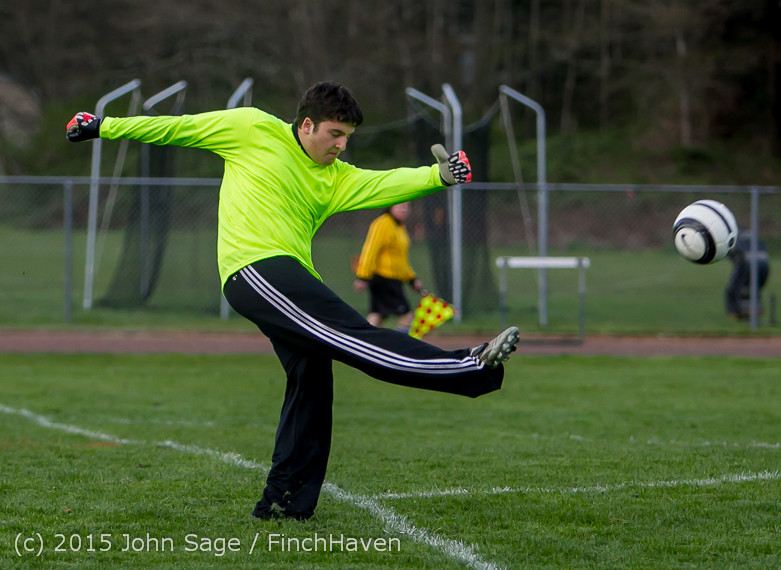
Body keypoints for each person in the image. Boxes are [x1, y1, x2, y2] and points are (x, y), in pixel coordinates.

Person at [66, 81, 520, 521]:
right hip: (254, 269)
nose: (341, 145)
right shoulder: (250, 128)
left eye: (347, 136)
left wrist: (438, 176)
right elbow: (175, 127)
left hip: (288, 275)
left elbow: (385, 183)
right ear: (306, 125)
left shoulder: (336, 178)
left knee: (312, 378)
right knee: (355, 337)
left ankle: (286, 502)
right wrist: (103, 125)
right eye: (335, 133)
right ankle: (469, 366)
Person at [353, 201, 422, 332]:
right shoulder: (383, 223)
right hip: (384, 279)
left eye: (407, 206)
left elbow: (400, 260)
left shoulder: (399, 227)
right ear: (391, 206)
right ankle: (399, 344)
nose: (404, 209)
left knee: (377, 315)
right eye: (400, 206)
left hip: (393, 280)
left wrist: (412, 279)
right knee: (406, 316)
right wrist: (363, 276)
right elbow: (370, 250)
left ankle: (368, 341)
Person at [725, 229, 769, 319]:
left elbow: (736, 255)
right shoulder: (750, 235)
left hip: (747, 263)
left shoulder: (732, 237)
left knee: (732, 290)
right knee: (753, 289)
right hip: (764, 265)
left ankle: (735, 312)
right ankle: (754, 309)